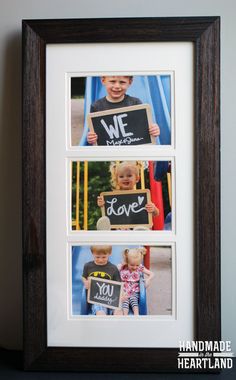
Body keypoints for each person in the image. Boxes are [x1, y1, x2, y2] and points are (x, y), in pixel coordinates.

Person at [87, 76, 160, 145]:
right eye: (112, 81)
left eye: (122, 82)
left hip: (131, 151)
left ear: (130, 82)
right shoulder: (96, 106)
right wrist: (91, 138)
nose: (117, 86)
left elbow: (144, 129)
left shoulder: (135, 103)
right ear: (103, 80)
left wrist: (153, 130)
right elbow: (94, 134)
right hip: (110, 153)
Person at [96, 161, 159, 230]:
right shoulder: (113, 197)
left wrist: (153, 209)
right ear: (117, 179)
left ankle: (140, 232)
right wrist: (102, 204)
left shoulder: (141, 196)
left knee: (141, 227)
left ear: (137, 178)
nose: (125, 178)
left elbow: (156, 213)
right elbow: (107, 211)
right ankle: (106, 231)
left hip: (135, 228)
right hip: (119, 230)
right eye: (121, 176)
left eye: (129, 175)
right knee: (106, 221)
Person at [82, 245, 123, 316]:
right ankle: (103, 325)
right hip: (97, 298)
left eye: (104, 257)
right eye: (97, 257)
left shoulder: (113, 268)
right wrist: (85, 282)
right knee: (100, 312)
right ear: (92, 253)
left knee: (118, 312)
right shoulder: (88, 266)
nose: (100, 260)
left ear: (109, 253)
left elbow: (118, 285)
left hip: (112, 298)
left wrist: (122, 294)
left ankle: (117, 325)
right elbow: (84, 277)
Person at [118, 247, 154, 315]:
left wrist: (148, 280)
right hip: (124, 292)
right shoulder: (123, 267)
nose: (134, 267)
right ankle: (125, 316)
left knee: (134, 301)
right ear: (127, 262)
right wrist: (123, 263)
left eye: (137, 265)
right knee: (125, 303)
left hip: (134, 292)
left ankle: (136, 315)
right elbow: (115, 270)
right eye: (132, 265)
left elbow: (152, 274)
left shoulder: (140, 267)